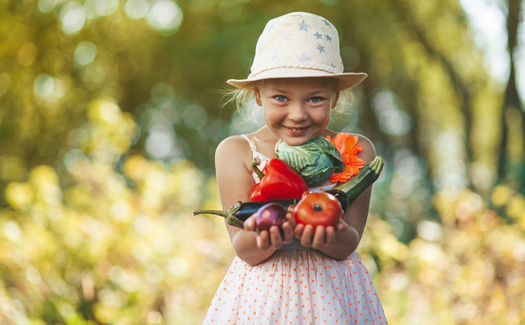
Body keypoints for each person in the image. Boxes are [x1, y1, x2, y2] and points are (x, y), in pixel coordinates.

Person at [204, 11, 387, 324]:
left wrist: (331, 232)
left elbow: (348, 244)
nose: (298, 113)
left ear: (335, 96)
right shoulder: (236, 152)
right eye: (280, 97)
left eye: (315, 99)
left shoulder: (356, 152)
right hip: (263, 299)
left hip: (335, 295)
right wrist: (268, 236)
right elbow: (243, 248)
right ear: (258, 95)